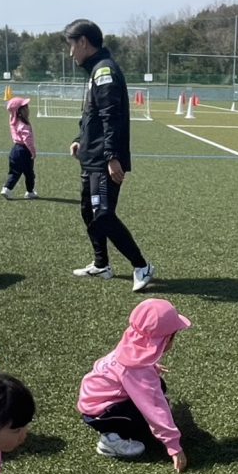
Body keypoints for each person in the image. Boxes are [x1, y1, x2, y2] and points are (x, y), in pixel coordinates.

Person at [65, 19, 155, 292]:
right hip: (92, 156)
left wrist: (112, 157)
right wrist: (80, 139)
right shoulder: (96, 70)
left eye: (71, 45)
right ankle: (101, 263)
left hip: (104, 160)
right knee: (88, 212)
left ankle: (142, 265)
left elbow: (110, 116)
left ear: (83, 42)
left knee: (103, 214)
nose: (70, 53)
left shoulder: (104, 70)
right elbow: (91, 114)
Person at [77, 299, 190, 473]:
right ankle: (110, 441)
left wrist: (152, 367)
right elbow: (154, 407)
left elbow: (125, 369)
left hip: (96, 400)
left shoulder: (130, 346)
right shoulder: (137, 370)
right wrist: (174, 446)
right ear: (165, 340)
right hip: (101, 413)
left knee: (158, 386)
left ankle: (120, 426)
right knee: (153, 407)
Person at [0, 96, 37, 200]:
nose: (28, 109)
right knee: (29, 173)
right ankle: (30, 192)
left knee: (15, 172)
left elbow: (11, 112)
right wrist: (33, 152)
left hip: (15, 151)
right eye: (26, 107)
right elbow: (27, 140)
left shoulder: (13, 121)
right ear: (20, 111)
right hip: (24, 151)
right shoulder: (23, 124)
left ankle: (7, 189)